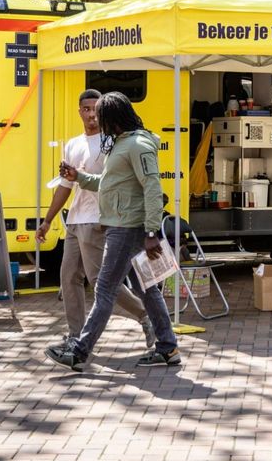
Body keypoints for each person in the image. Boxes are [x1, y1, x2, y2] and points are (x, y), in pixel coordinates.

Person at [45, 92, 180, 371]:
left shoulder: (138, 144)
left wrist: (153, 230)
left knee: (104, 288)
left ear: (113, 117)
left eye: (101, 114)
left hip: (127, 227)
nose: (96, 119)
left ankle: (79, 351)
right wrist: (78, 177)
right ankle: (167, 348)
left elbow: (153, 188)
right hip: (122, 225)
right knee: (147, 289)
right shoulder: (120, 144)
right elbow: (107, 183)